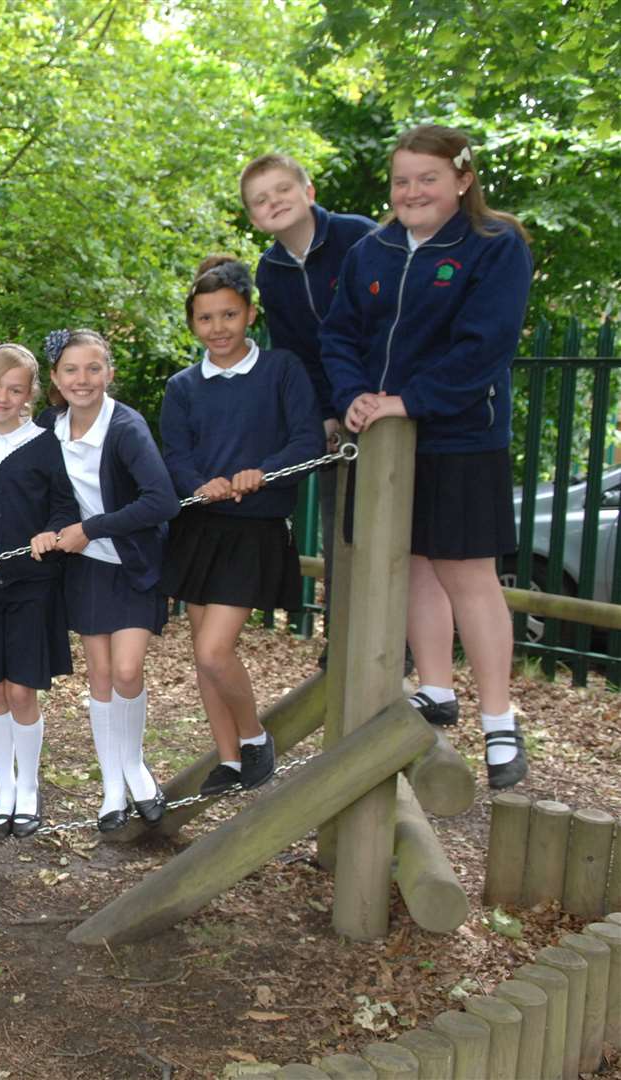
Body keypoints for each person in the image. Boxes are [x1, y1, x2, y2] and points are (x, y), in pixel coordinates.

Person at [320, 124, 533, 789]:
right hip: (382, 439)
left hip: (460, 435)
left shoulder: (494, 247)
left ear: (462, 180)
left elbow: (483, 346)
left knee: (465, 570)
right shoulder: (371, 250)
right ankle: (435, 687)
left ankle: (498, 721)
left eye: (426, 178)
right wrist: (354, 393)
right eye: (400, 180)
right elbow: (340, 334)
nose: (410, 192)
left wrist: (408, 400)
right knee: (408, 560)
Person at [160, 256, 322, 797]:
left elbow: (306, 441)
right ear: (193, 324)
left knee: (213, 650)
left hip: (253, 528)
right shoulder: (184, 386)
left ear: (249, 314)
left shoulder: (281, 370)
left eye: (228, 315)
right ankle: (228, 759)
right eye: (205, 319)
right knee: (202, 656)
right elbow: (175, 456)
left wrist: (263, 473)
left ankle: (254, 739)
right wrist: (201, 482)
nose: (218, 328)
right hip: (201, 528)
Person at [41, 330, 180, 831]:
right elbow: (4, 438)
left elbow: (161, 501)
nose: (83, 379)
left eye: (93, 368)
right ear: (55, 378)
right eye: (72, 370)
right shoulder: (48, 427)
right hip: (84, 569)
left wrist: (89, 529)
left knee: (126, 671)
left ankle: (135, 768)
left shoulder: (125, 427)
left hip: (131, 563)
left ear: (109, 372)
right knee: (99, 675)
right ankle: (111, 789)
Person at [243, 154, 377, 635]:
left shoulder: (359, 237)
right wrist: (323, 414)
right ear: (253, 217)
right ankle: (343, 639)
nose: (273, 202)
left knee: (392, 526)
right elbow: (297, 349)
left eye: (282, 190)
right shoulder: (272, 270)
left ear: (309, 192)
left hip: (385, 398)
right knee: (341, 527)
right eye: (260, 199)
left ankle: (391, 644)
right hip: (337, 410)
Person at [0, 344, 79, 840]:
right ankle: (4, 789)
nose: (3, 396)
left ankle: (29, 788)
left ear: (30, 395)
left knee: (23, 689)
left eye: (16, 389)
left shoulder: (45, 444)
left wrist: (53, 531)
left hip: (32, 585)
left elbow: (65, 507)